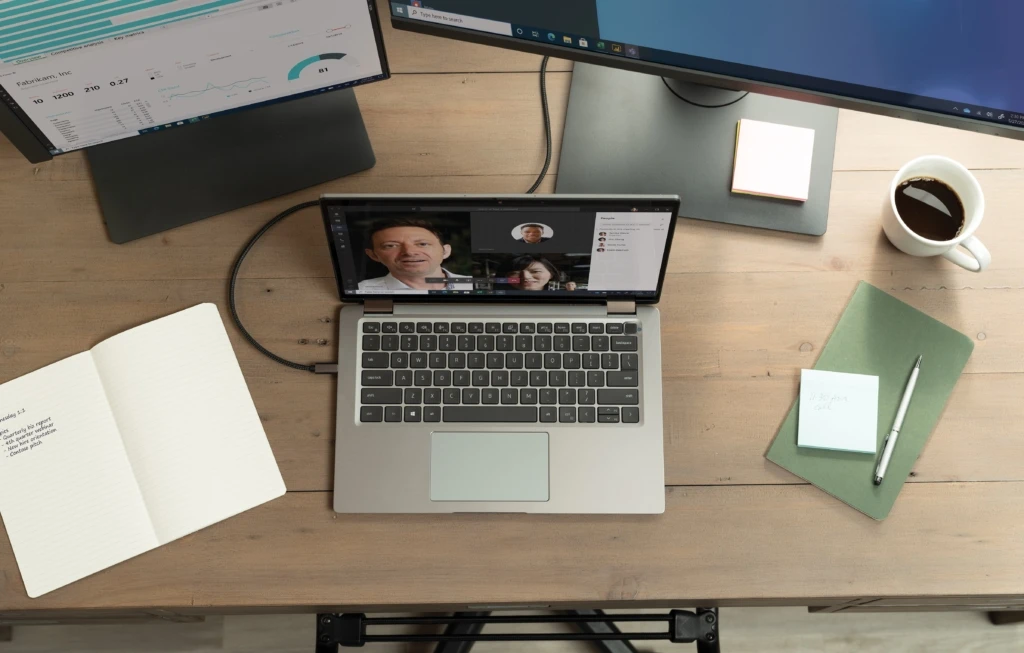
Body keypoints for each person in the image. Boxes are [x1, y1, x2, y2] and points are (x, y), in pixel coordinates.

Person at [359, 219, 471, 291]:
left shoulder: (476, 286)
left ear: (445, 251)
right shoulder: (361, 290)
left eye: (422, 244)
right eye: (391, 245)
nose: (409, 252)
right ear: (373, 255)